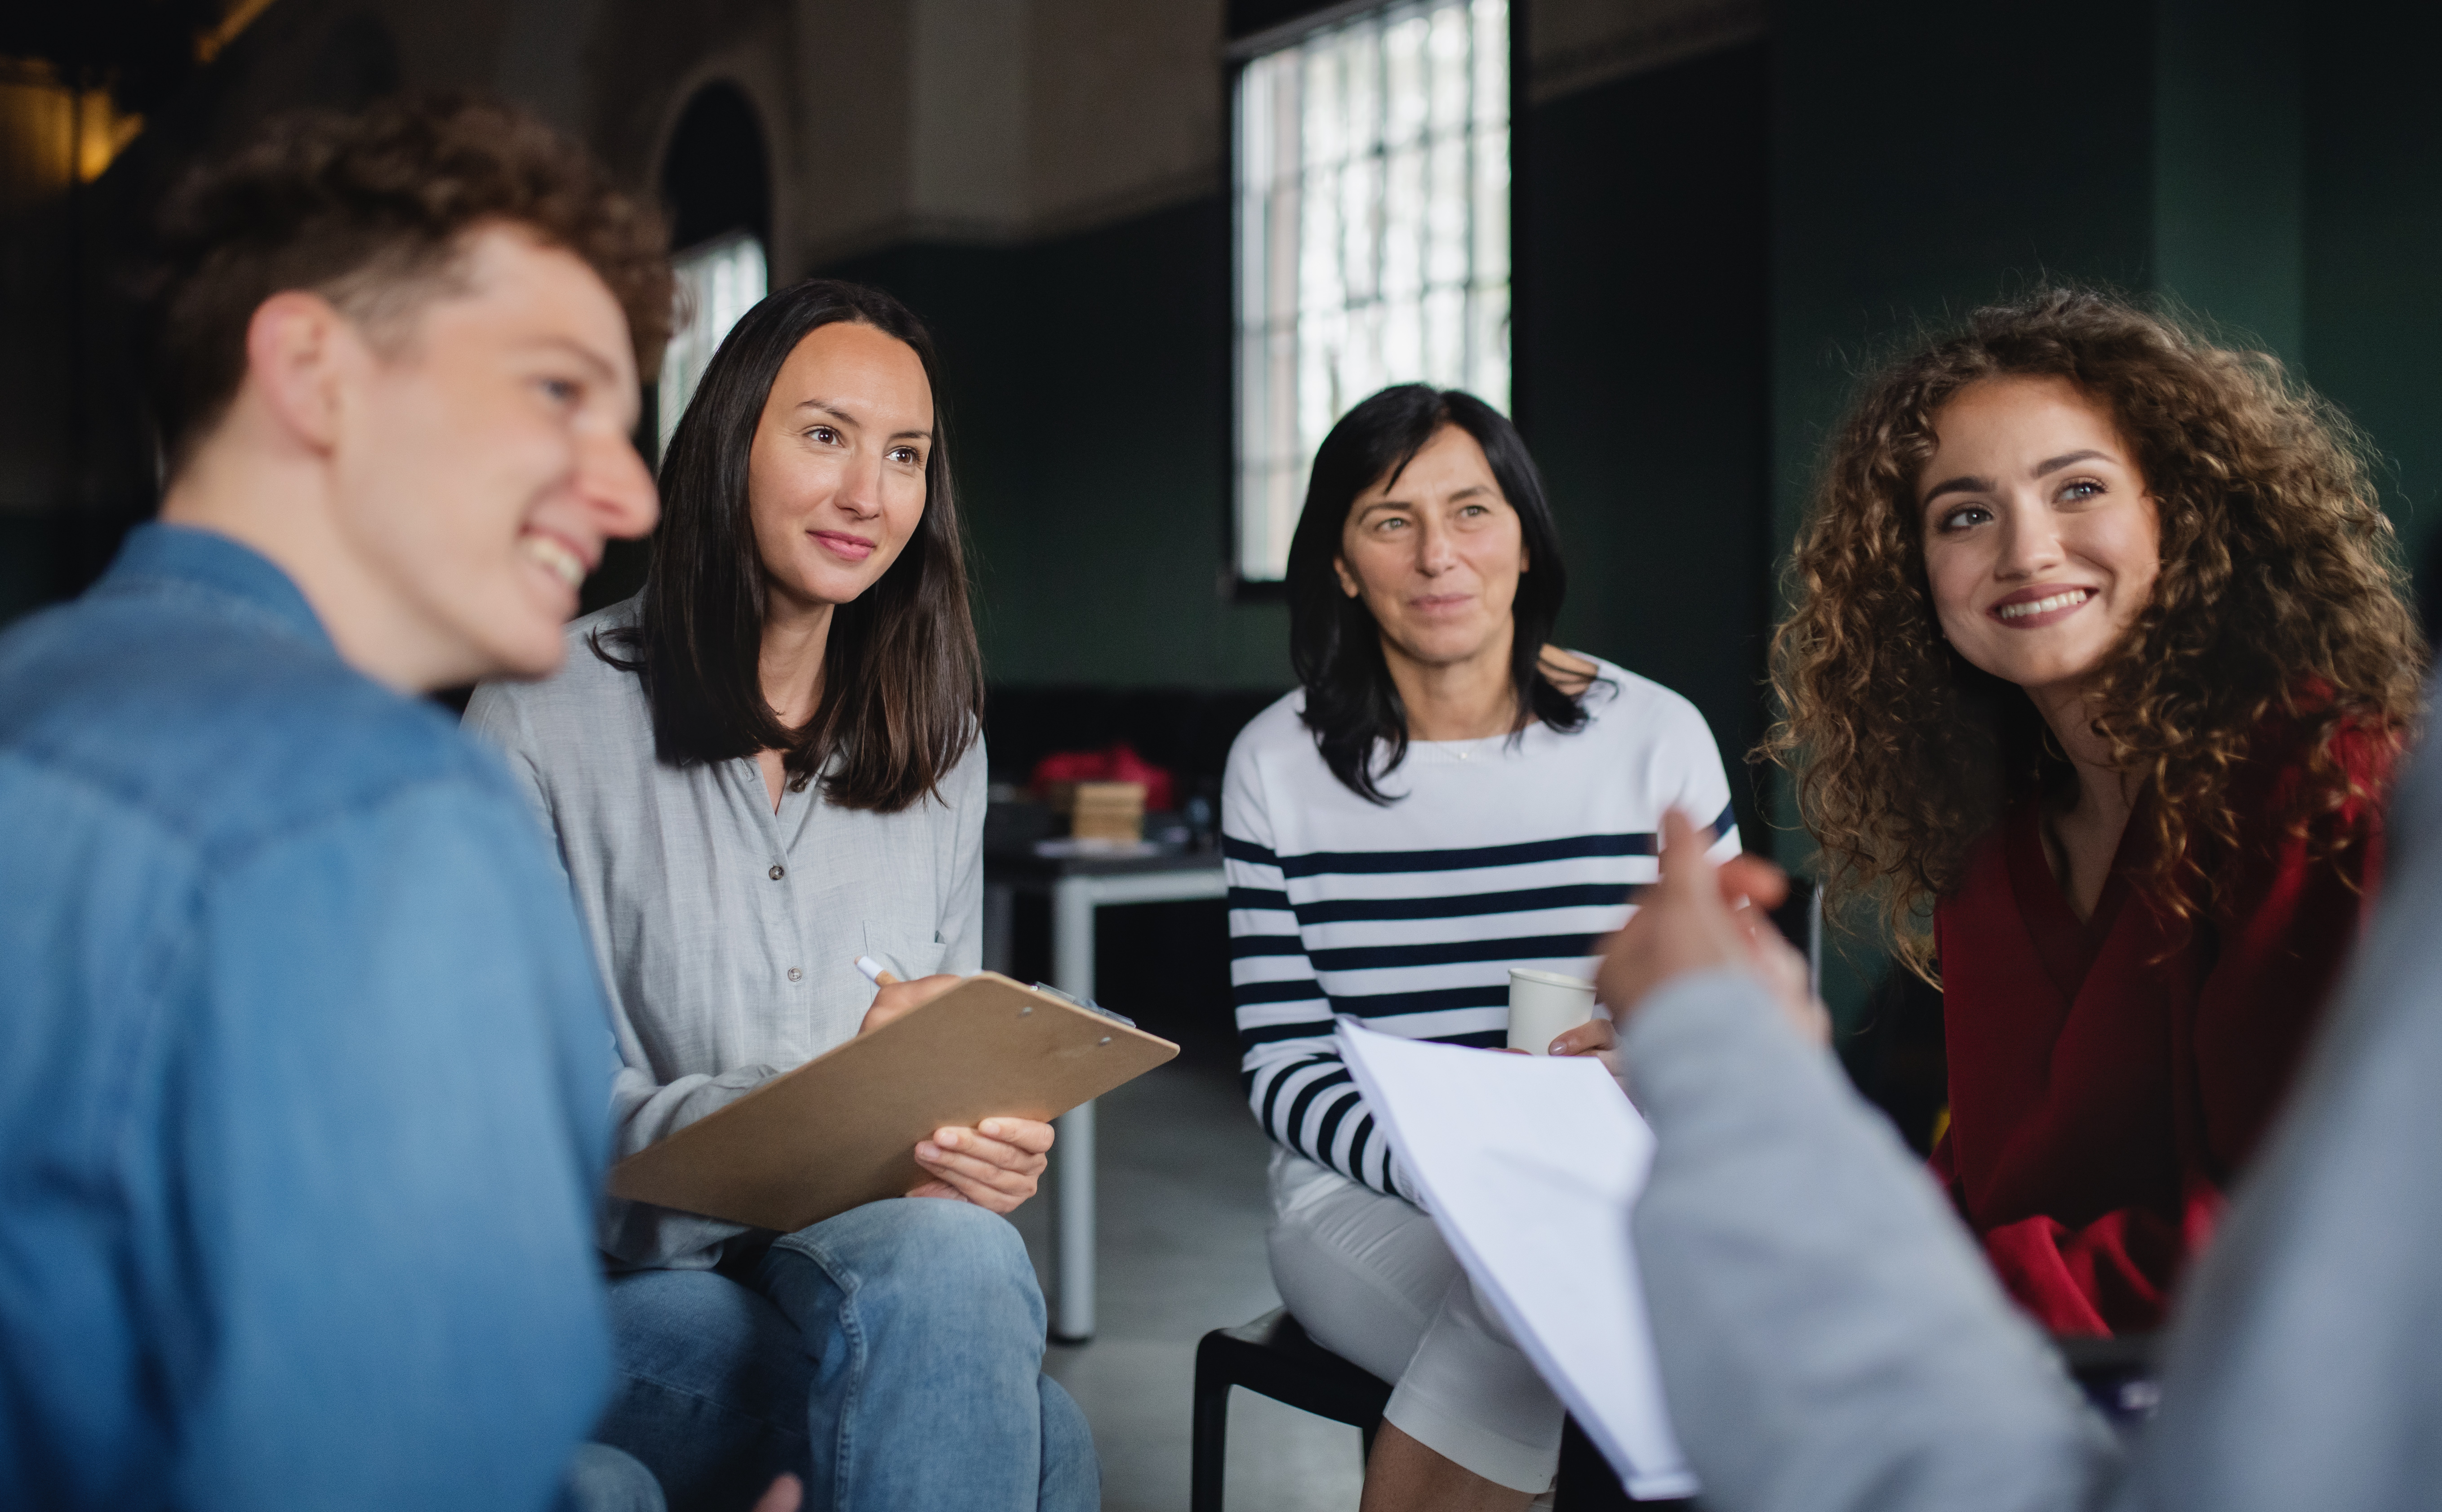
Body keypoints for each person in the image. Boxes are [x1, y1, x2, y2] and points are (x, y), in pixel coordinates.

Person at [0, 96, 681, 1509]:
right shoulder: (381, 816)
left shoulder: (32, 691)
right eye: (559, 390)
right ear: (314, 370)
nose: (630, 495)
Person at [463, 279, 1096, 1512]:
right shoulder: (538, 717)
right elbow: (509, 1121)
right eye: (824, 435)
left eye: (904, 454)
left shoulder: (940, 736)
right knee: (1040, 1430)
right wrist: (784, 1117)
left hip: (865, 1250)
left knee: (960, 1256)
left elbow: (941, 1037)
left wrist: (971, 1144)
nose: (870, 492)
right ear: (725, 444)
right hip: (600, 1290)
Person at [1763, 288, 2421, 1334]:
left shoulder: (2319, 778)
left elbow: (2312, 1231)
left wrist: (1905, 1301)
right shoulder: (1994, 857)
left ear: (2179, 508)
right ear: (1912, 572)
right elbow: (1989, 1191)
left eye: (2075, 489)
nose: (2024, 551)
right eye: (1964, 515)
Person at [1596, 772, 2442, 1512]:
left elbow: (2270, 1287)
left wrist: (1718, 1046)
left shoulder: (2325, 790)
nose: (2026, 573)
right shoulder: (1993, 843)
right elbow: (1976, 1174)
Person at [1222, 383, 1741, 1511]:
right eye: (1389, 520)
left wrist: (1653, 1055)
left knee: (1576, 1271)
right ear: (1342, 564)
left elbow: (1725, 1022)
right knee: (1540, 1294)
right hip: (1363, 1201)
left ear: (1523, 539)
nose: (1436, 557)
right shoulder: (1275, 764)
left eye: (1471, 511)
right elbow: (1282, 1065)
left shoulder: (1656, 738)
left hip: (1626, 1186)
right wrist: (1458, 1172)